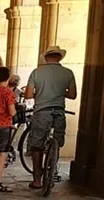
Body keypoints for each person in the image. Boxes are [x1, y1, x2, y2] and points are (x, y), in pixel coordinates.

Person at [25, 45, 77, 190]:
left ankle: (37, 180)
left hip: (42, 111)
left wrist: (40, 94)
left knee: (37, 146)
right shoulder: (68, 73)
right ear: (60, 57)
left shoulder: (37, 72)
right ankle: (52, 167)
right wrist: (60, 92)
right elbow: (72, 95)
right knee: (57, 142)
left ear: (46, 57)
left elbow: (28, 95)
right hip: (59, 111)